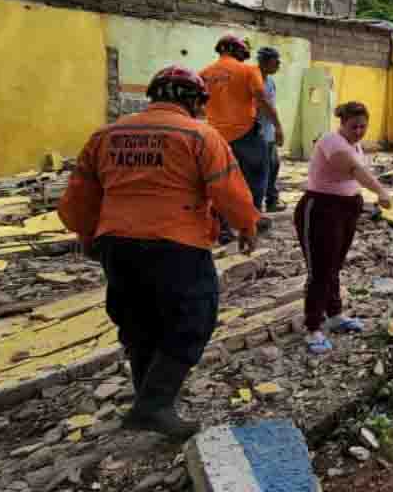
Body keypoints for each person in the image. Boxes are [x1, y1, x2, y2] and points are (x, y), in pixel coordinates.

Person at [58, 66, 261, 440]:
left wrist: (87, 233)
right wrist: (247, 225)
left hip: (116, 245)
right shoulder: (201, 135)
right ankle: (154, 404)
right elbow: (228, 191)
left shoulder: (107, 135)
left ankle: (148, 403)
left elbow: (80, 196)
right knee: (194, 318)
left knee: (138, 322)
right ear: (194, 102)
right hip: (177, 245)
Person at [296, 101, 393, 354]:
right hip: (321, 209)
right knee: (320, 269)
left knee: (334, 265)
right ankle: (313, 327)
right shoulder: (332, 143)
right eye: (354, 126)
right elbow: (355, 170)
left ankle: (335, 314)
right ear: (342, 123)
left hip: (347, 208)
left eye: (363, 126)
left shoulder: (354, 143)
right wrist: (381, 191)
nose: (359, 131)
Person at [200, 35, 282, 238]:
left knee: (221, 182)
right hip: (246, 135)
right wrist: (278, 126)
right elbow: (262, 101)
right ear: (239, 52)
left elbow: (199, 105)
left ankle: (224, 229)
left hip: (216, 137)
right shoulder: (248, 71)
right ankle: (251, 223)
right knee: (256, 178)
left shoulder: (204, 74)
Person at [256, 46, 284, 212]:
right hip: (258, 133)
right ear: (265, 62)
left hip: (269, 133)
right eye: (276, 61)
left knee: (274, 165)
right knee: (262, 170)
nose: (279, 64)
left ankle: (272, 200)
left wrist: (276, 129)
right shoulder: (255, 80)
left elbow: (271, 107)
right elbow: (264, 107)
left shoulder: (270, 82)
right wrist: (278, 127)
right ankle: (259, 205)